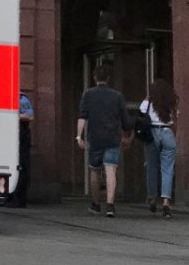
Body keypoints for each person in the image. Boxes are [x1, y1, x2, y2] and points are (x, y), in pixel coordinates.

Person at [76, 64, 131, 217]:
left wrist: (79, 136)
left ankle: (95, 204)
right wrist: (127, 133)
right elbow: (125, 120)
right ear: (108, 78)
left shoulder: (88, 94)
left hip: (95, 138)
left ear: (94, 78)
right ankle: (110, 206)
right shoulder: (117, 96)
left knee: (94, 170)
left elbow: (82, 116)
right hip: (113, 138)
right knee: (111, 169)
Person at [141, 79, 179, 218]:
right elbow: (175, 121)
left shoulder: (148, 102)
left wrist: (147, 98)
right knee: (167, 169)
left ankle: (152, 198)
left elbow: (141, 116)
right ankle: (166, 202)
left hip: (152, 134)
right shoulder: (171, 103)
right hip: (167, 132)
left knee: (151, 167)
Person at [9, 91, 34, 207]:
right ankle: (9, 197)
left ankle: (19, 199)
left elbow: (29, 116)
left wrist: (12, 115)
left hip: (21, 136)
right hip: (12, 135)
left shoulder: (21, 98)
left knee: (21, 166)